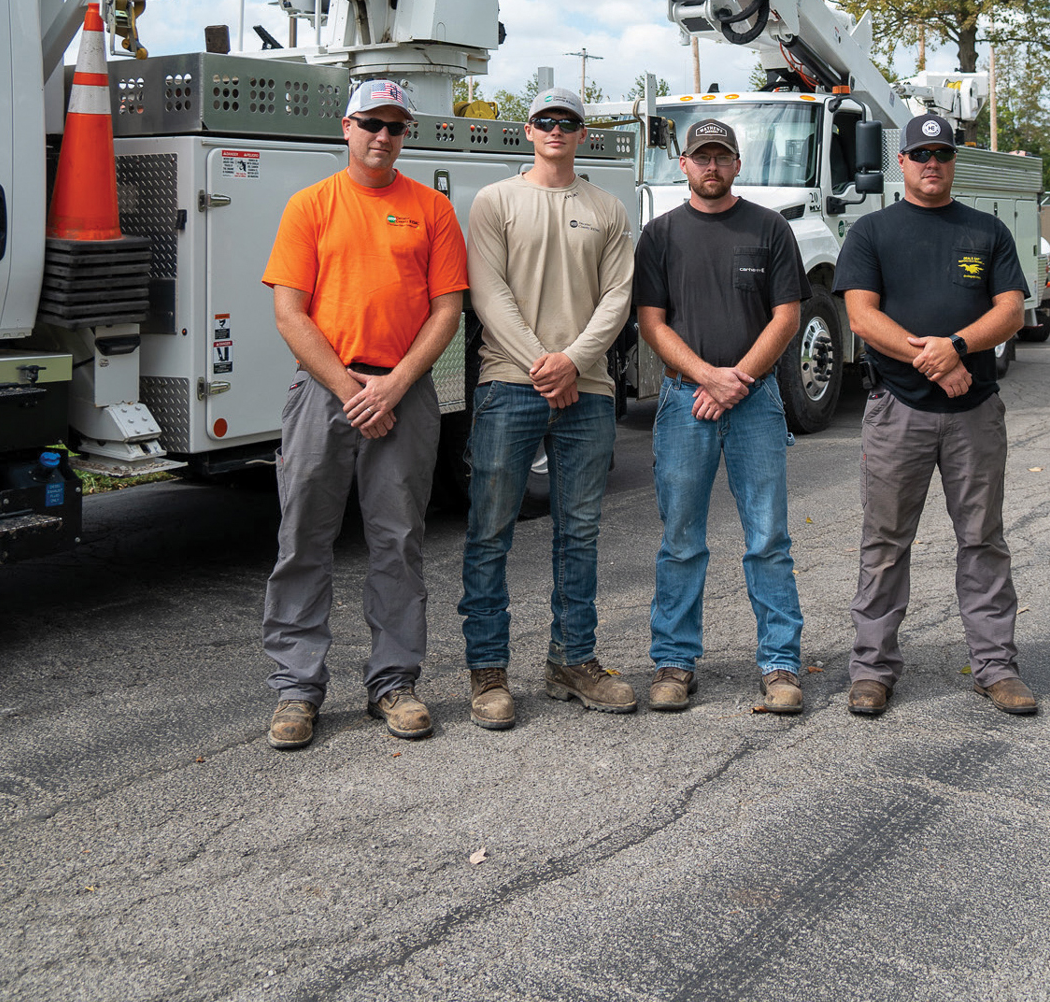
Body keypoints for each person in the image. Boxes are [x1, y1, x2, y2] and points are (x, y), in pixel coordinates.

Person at [260, 77, 468, 750]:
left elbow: (447, 310)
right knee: (303, 541)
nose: (382, 137)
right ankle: (297, 691)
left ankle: (395, 684)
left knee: (398, 541)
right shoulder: (310, 206)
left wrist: (396, 384)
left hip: (404, 394)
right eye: (370, 123)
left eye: (395, 126)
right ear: (345, 129)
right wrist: (353, 392)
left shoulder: (432, 210)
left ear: (406, 135)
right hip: (326, 391)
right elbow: (289, 311)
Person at [833, 112, 1037, 717]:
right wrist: (935, 361)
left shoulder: (986, 232)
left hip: (974, 414)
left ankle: (995, 666)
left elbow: (1011, 312)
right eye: (919, 154)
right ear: (901, 163)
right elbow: (862, 317)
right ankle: (872, 670)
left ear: (954, 162)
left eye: (941, 155)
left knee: (982, 540)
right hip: (897, 411)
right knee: (885, 543)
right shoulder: (871, 233)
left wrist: (958, 348)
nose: (930, 164)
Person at [460, 86, 635, 728]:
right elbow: (487, 293)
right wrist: (543, 363)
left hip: (586, 392)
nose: (555, 129)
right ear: (527, 131)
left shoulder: (608, 208)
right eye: (544, 121)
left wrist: (573, 364)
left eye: (567, 121)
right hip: (509, 384)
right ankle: (487, 673)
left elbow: (618, 298)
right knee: (490, 531)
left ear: (582, 134)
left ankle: (573, 662)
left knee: (579, 532)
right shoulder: (496, 201)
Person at [634, 119, 811, 713]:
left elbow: (786, 317)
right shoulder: (659, 236)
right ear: (682, 164)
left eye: (722, 157)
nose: (712, 167)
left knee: (768, 538)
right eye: (701, 157)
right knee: (681, 540)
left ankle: (782, 664)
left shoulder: (770, 229)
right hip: (686, 401)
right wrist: (708, 377)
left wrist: (737, 382)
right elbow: (653, 323)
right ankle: (674, 662)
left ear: (738, 164)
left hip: (754, 402)